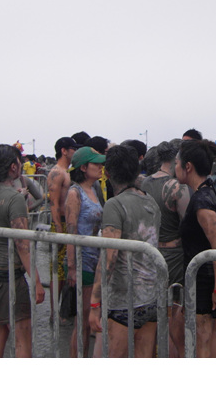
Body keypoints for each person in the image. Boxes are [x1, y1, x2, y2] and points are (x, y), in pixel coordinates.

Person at [88, 145, 161, 358]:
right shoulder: (150, 202)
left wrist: (95, 303)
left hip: (123, 300)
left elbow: (109, 258)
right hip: (151, 297)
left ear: (107, 173)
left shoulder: (115, 205)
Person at [0, 143, 45, 358]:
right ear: (13, 167)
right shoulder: (13, 198)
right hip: (7, 276)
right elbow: (22, 244)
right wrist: (36, 281)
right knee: (22, 336)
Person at [176, 139, 216, 358]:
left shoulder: (202, 201)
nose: (175, 168)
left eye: (177, 163)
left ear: (188, 166)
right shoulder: (206, 192)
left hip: (204, 282)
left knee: (202, 338)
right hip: (200, 279)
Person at [141, 139, 191, 357]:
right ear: (176, 158)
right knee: (174, 310)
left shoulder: (144, 183)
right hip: (173, 254)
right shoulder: (176, 187)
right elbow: (187, 224)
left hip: (150, 253)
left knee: (153, 311)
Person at [65, 146, 105, 357]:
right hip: (82, 262)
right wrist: (72, 267)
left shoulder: (94, 189)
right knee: (82, 320)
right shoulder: (75, 193)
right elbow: (70, 231)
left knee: (88, 319)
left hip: (94, 259)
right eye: (95, 164)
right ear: (83, 167)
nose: (100, 167)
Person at [47, 136, 81, 323]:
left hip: (68, 224)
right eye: (72, 149)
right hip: (60, 223)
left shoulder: (68, 171)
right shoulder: (57, 173)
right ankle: (54, 312)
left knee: (66, 269)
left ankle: (63, 310)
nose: (74, 152)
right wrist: (58, 229)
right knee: (57, 271)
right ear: (64, 150)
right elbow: (53, 203)